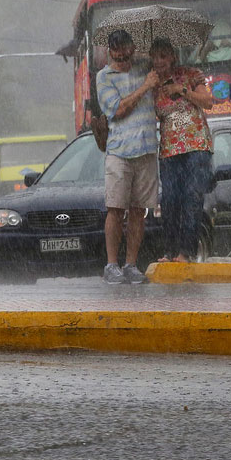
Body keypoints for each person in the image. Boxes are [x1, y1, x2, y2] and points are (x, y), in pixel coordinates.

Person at [95, 29, 160, 284]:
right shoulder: (104, 77)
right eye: (117, 53)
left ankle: (131, 263)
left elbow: (162, 64)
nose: (121, 57)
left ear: (132, 48)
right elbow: (118, 109)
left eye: (126, 51)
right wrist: (145, 86)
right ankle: (112, 264)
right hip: (120, 151)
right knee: (115, 209)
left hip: (145, 149)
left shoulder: (144, 66)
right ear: (110, 52)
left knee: (138, 210)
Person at [150, 37, 215, 263]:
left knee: (191, 197)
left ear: (173, 57)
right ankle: (170, 251)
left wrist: (182, 90)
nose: (159, 62)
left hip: (196, 146)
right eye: (155, 57)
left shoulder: (190, 74)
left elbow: (208, 101)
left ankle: (186, 252)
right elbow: (151, 115)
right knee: (169, 200)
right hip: (169, 150)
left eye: (163, 56)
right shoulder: (152, 84)